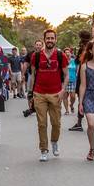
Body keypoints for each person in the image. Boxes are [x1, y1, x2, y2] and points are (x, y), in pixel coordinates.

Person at [29, 30, 69, 162]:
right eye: (48, 38)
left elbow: (66, 74)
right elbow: (33, 75)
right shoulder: (36, 56)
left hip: (55, 94)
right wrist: (31, 93)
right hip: (39, 93)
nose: (50, 40)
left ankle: (54, 142)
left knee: (56, 123)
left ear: (55, 40)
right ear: (44, 39)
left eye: (52, 38)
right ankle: (44, 150)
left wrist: (63, 90)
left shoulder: (60, 55)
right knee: (42, 124)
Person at [69, 30, 92, 132]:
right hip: (92, 74)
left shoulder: (83, 47)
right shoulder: (92, 46)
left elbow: (77, 61)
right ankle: (93, 121)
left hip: (83, 74)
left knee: (81, 99)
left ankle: (79, 123)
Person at [22, 40, 43, 117]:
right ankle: (30, 108)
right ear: (35, 46)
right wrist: (23, 74)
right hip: (31, 75)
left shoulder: (44, 53)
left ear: (42, 46)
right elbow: (26, 64)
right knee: (30, 92)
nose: (38, 46)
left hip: (41, 76)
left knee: (39, 93)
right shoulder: (30, 54)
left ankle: (38, 109)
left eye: (39, 45)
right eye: (37, 44)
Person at [63, 48, 77, 115]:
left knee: (73, 96)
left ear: (70, 53)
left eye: (68, 52)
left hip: (73, 80)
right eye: (66, 52)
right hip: (64, 81)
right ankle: (67, 110)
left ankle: (71, 105)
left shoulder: (74, 61)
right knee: (65, 96)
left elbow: (77, 70)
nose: (67, 53)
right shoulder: (62, 61)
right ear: (64, 54)